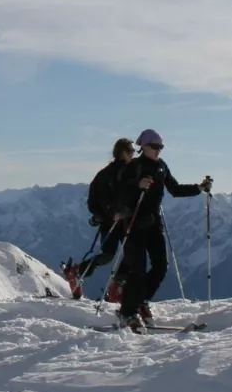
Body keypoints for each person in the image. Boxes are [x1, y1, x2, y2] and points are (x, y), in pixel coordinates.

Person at [111, 129, 212, 330]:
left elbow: (174, 189)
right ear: (145, 146)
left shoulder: (160, 167)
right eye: (156, 146)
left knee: (161, 265)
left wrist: (199, 188)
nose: (159, 151)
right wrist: (138, 186)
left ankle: (139, 300)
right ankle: (127, 312)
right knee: (137, 270)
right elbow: (121, 192)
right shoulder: (135, 167)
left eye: (161, 147)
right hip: (134, 222)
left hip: (154, 222)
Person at [67, 137, 136, 299]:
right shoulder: (110, 174)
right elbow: (97, 199)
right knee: (113, 255)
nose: (133, 154)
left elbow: (94, 201)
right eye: (131, 151)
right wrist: (110, 214)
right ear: (123, 152)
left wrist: (104, 215)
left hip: (116, 220)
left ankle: (81, 273)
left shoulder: (114, 173)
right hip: (114, 221)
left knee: (119, 254)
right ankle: (115, 288)